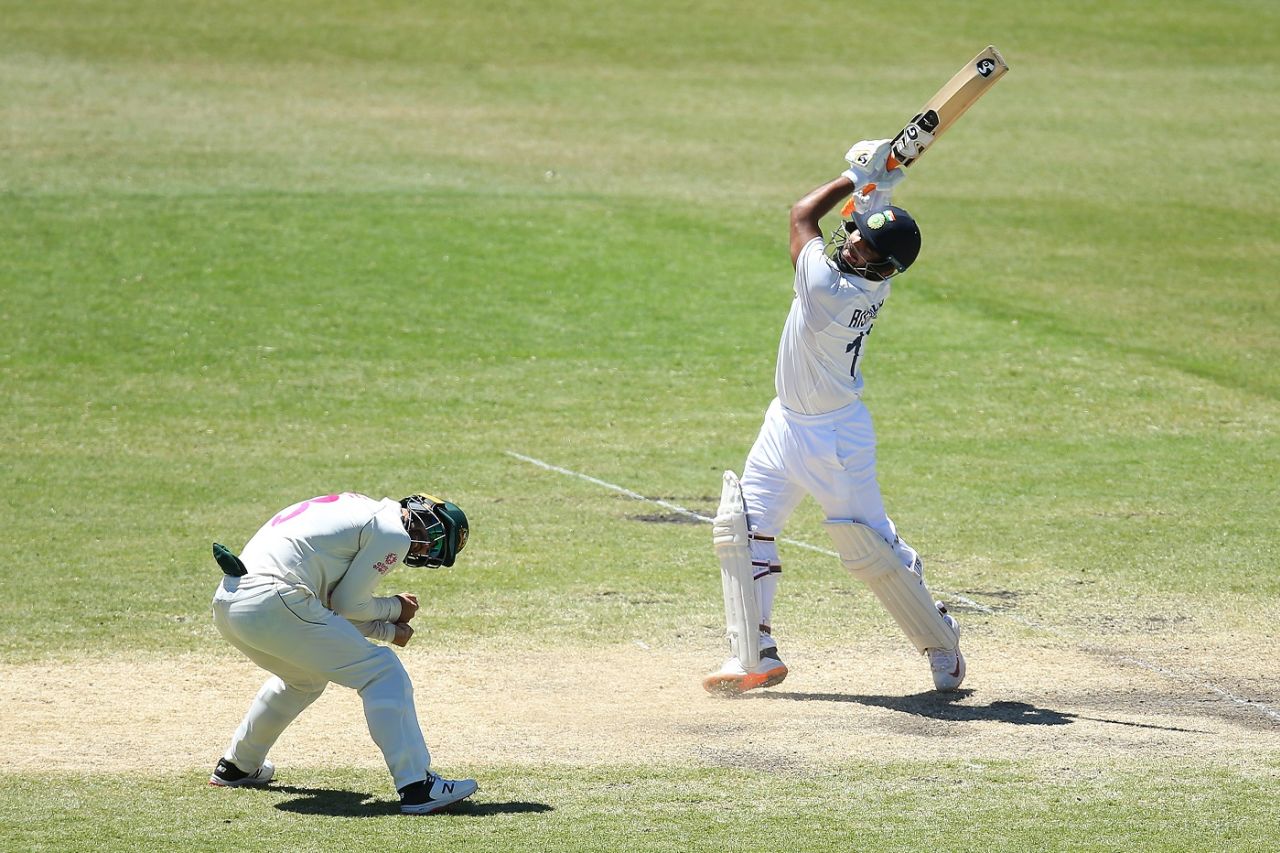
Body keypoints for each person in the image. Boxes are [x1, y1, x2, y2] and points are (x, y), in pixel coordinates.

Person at [702, 136, 966, 696]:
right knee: (744, 531)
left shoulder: (829, 289)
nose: (854, 250)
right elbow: (861, 225)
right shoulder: (872, 277)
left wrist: (854, 176)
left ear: (884, 269)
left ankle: (941, 638)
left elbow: (802, 214)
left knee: (869, 552)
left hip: (836, 438)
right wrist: (881, 184)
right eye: (857, 242)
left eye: (869, 253)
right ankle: (755, 651)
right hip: (785, 424)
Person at [207, 490, 477, 815]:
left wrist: (388, 630)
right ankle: (417, 786)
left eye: (430, 544)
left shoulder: (361, 510)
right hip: (274, 599)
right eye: (428, 535)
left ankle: (237, 766)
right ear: (418, 508)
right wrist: (394, 609)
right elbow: (347, 605)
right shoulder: (391, 531)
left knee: (303, 680)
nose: (420, 543)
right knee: (382, 672)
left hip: (230, 603)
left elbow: (325, 613)